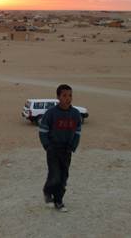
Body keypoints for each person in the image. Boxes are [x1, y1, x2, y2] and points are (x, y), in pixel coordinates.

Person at [38, 84, 82, 212]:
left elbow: (78, 131)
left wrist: (73, 146)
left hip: (67, 150)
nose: (68, 98)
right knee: (55, 174)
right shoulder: (51, 113)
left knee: (64, 177)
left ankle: (59, 201)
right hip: (53, 149)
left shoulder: (75, 114)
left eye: (70, 95)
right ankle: (47, 191)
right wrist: (47, 146)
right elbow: (42, 131)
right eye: (64, 96)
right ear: (58, 97)